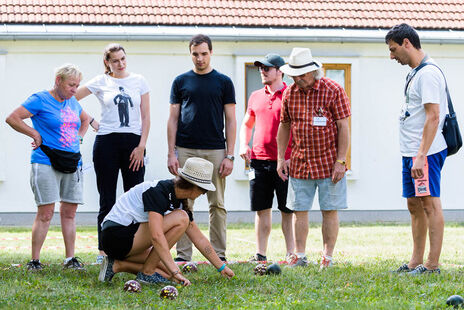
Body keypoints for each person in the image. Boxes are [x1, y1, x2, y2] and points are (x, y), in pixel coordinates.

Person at [98, 157, 235, 285]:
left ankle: (116, 265)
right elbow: (156, 236)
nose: (202, 194)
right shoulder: (158, 191)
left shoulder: (180, 200)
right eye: (204, 190)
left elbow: (199, 238)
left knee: (168, 275)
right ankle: (147, 272)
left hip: (130, 238)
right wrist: (175, 270)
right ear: (193, 186)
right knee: (182, 220)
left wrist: (221, 267)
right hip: (115, 237)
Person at [5, 64, 89, 271]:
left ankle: (70, 259)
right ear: (58, 80)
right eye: (71, 85)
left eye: (77, 85)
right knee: (46, 212)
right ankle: (35, 260)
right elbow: (12, 118)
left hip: (72, 161)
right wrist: (34, 134)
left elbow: (85, 120)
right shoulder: (39, 99)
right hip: (45, 160)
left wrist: (79, 137)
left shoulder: (72, 102)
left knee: (69, 212)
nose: (74, 89)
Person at [75, 43, 151, 264]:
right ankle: (104, 251)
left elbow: (146, 117)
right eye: (115, 60)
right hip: (106, 142)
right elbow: (71, 98)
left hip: (134, 144)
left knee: (135, 197)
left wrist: (142, 146)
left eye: (123, 59)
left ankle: (135, 248)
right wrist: (90, 120)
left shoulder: (139, 81)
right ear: (107, 62)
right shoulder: (101, 81)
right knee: (107, 198)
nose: (120, 64)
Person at [277, 47, 351, 268]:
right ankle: (300, 255)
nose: (298, 79)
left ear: (313, 71)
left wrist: (341, 161)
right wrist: (281, 158)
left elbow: (343, 127)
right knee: (299, 211)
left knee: (329, 210)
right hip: (300, 162)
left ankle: (327, 257)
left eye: (302, 74)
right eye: (294, 74)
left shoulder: (334, 90)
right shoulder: (289, 93)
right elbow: (284, 126)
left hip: (330, 163)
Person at [167, 34, 236, 262]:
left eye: (204, 54)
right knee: (185, 203)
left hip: (215, 150)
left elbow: (231, 119)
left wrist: (230, 155)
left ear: (211, 53)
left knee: (217, 204)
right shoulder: (180, 81)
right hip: (185, 149)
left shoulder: (224, 82)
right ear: (191, 54)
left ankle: (218, 255)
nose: (199, 59)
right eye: (195, 54)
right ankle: (183, 257)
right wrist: (171, 152)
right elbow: (173, 119)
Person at [386, 23, 447, 275]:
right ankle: (415, 261)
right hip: (411, 152)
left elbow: (433, 117)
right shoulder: (414, 72)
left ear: (407, 43)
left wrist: (421, 156)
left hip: (425, 153)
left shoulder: (428, 74)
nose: (392, 56)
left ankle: (432, 265)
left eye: (393, 49)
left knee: (429, 203)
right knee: (414, 204)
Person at [239, 53, 295, 262]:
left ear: (280, 71)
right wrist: (244, 144)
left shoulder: (291, 94)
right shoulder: (255, 96)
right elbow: (247, 123)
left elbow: (298, 128)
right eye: (261, 68)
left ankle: (292, 254)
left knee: (287, 209)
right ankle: (260, 254)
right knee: (262, 208)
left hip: (286, 162)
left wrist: (293, 155)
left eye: (267, 68)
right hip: (259, 162)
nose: (262, 71)